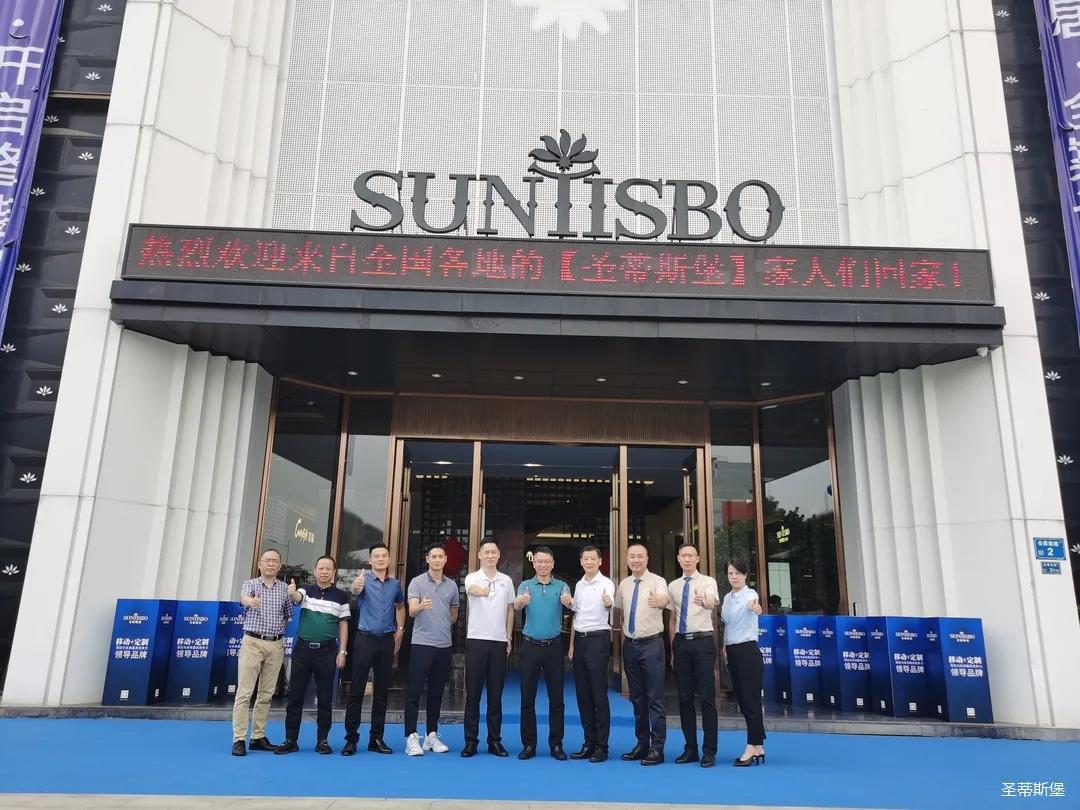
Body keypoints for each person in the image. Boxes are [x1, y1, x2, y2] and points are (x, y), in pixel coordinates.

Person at [276, 555, 350, 755]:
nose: (324, 572)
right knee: (295, 697)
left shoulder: (341, 596)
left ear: (334, 572)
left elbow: (343, 625)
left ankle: (322, 740)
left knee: (325, 699)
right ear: (315, 570)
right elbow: (297, 598)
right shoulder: (306, 590)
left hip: (327, 651)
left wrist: (342, 651)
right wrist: (292, 593)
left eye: (328, 569)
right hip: (303, 650)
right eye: (321, 568)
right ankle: (290, 739)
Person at [342, 542, 405, 756]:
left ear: (389, 559)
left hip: (386, 641)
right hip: (365, 639)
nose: (380, 559)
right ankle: (351, 739)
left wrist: (400, 630)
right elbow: (355, 590)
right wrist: (356, 586)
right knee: (357, 690)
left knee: (381, 692)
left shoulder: (395, 584)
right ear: (370, 560)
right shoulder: (363, 580)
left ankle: (376, 738)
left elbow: (400, 607)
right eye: (376, 556)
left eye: (384, 555)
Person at [232, 548, 294, 756]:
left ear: (279, 565)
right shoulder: (251, 584)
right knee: (244, 693)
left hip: (275, 644)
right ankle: (239, 738)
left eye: (275, 561)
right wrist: (250, 601)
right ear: (259, 564)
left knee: (266, 694)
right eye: (267, 560)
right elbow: (244, 599)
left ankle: (258, 736)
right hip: (253, 642)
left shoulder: (284, 588)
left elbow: (288, 615)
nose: (271, 564)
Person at [613, 542, 669, 766]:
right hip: (630, 645)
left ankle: (657, 748)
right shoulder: (624, 585)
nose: (636, 560)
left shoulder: (657, 581)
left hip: (652, 645)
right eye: (632, 556)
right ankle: (642, 744)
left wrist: (659, 601)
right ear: (627, 559)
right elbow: (619, 612)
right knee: (637, 698)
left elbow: (664, 600)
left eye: (640, 556)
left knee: (655, 698)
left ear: (647, 558)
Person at [514, 546, 571, 761]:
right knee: (527, 697)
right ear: (534, 563)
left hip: (554, 647)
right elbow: (516, 606)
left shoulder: (562, 586)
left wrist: (569, 602)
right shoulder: (526, 586)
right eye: (539, 561)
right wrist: (521, 602)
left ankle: (556, 744)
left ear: (553, 564)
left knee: (556, 698)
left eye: (547, 561)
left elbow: (572, 604)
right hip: (530, 646)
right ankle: (529, 744)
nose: (543, 565)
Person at [403, 543, 460, 756]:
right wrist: (421, 607)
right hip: (422, 643)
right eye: (433, 556)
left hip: (444, 645)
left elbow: (453, 614)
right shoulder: (417, 582)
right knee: (414, 691)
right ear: (427, 559)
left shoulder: (452, 585)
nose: (437, 560)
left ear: (445, 560)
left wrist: (441, 622)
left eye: (440, 556)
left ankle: (431, 735)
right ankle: (411, 737)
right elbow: (411, 611)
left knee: (437, 693)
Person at [666, 543, 720, 767]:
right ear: (678, 559)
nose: (687, 559)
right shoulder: (673, 586)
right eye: (683, 556)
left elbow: (712, 603)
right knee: (685, 697)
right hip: (681, 643)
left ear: (698, 558)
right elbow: (672, 619)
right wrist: (672, 649)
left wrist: (704, 602)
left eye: (691, 555)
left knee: (707, 696)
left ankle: (709, 750)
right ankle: (690, 748)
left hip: (703, 641)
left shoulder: (708, 582)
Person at [461, 539, 515, 758]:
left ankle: (494, 741)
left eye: (494, 552)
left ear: (499, 554)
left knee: (495, 695)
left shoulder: (506, 581)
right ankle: (470, 741)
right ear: (480, 555)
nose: (490, 555)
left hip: (499, 642)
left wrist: (508, 636)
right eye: (487, 552)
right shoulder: (472, 577)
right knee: (473, 694)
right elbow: (471, 589)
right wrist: (480, 591)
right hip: (476, 640)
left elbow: (510, 610)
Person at [567, 544, 615, 763]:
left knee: (598, 694)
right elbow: (576, 616)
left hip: (598, 640)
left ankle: (602, 746)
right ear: (581, 561)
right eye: (585, 559)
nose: (588, 562)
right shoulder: (579, 585)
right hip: (581, 641)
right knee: (583, 694)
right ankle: (589, 742)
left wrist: (608, 603)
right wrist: (572, 645)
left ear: (600, 561)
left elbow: (609, 602)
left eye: (592, 559)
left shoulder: (606, 583)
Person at [720, 558, 765, 766]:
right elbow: (727, 624)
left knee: (750, 699)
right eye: (730, 573)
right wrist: (724, 645)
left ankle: (752, 745)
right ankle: (758, 745)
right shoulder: (727, 597)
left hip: (747, 650)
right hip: (732, 650)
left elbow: (752, 605)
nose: (734, 577)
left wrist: (755, 608)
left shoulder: (750, 594)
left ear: (745, 575)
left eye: (738, 573)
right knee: (742, 698)